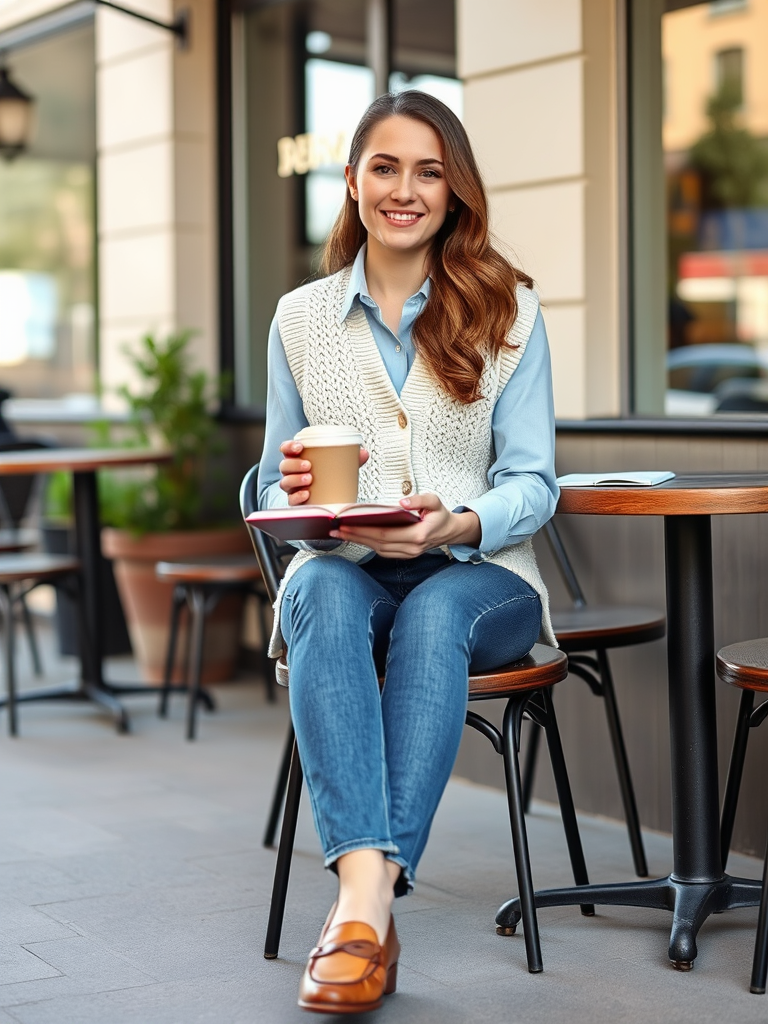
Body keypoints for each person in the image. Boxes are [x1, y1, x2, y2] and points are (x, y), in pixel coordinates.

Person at [257, 89, 558, 1015]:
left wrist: (455, 521)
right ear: (351, 182)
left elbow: (535, 483)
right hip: (348, 567)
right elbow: (271, 481)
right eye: (385, 167)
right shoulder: (299, 318)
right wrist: (302, 505)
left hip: (481, 578)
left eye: (429, 171)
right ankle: (367, 904)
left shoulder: (508, 308)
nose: (405, 190)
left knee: (432, 614)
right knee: (320, 596)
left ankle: (356, 910)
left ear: (454, 190)